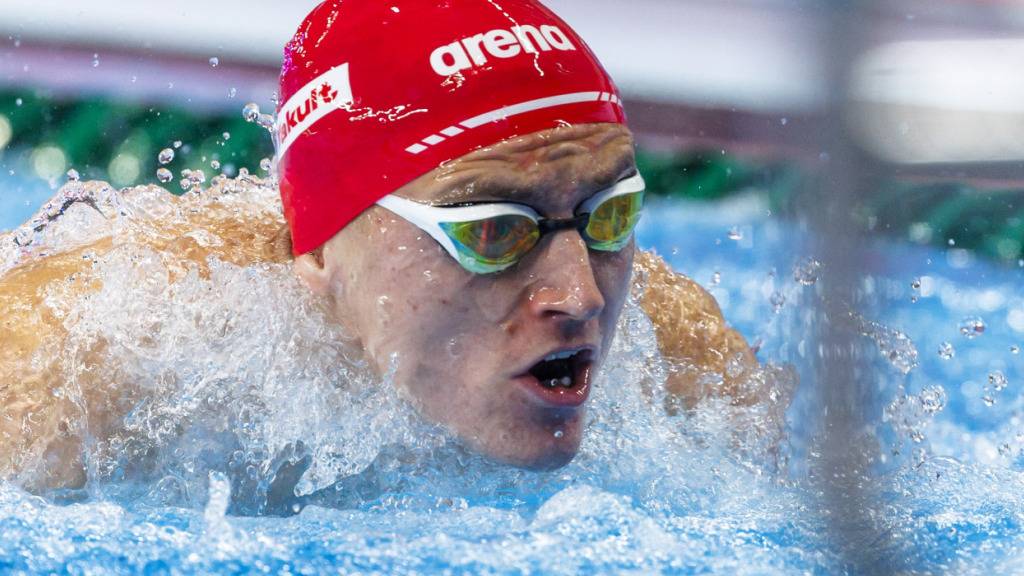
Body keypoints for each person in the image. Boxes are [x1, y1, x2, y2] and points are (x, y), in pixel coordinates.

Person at [0, 0, 771, 493]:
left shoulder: (684, 362)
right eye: (492, 230)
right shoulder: (79, 362)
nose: (582, 297)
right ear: (322, 249)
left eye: (608, 215)